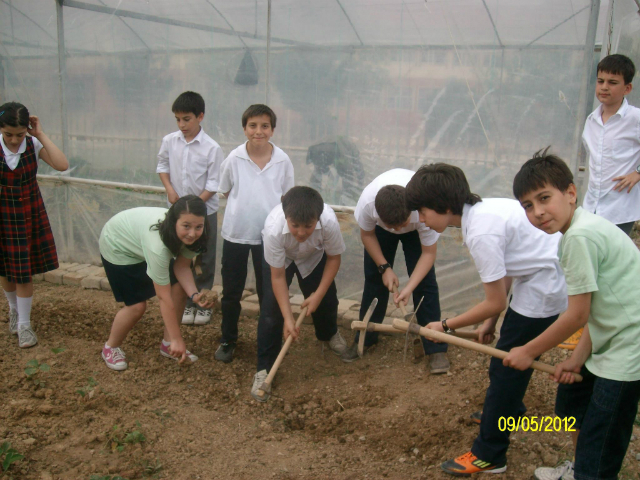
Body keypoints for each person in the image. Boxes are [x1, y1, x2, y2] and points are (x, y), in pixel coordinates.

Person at [405, 163, 567, 476]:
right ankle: (508, 412)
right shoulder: (482, 211)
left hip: (545, 285)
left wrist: (446, 325)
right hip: (534, 276)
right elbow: (504, 274)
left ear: (443, 206)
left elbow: (493, 301)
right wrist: (491, 322)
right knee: (506, 363)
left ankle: (490, 454)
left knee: (506, 369)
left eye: (423, 212)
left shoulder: (480, 231)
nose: (421, 219)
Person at [505, 149, 640, 480]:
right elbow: (596, 309)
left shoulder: (579, 237)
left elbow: (577, 316)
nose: (538, 212)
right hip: (612, 336)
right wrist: (577, 358)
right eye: (528, 206)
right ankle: (582, 468)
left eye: (544, 198)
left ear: (570, 193)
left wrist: (528, 350)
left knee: (601, 440)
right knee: (572, 401)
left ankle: (590, 471)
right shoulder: (580, 229)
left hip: (628, 349)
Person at [341, 168, 447, 373]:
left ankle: (435, 346)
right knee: (374, 279)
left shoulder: (425, 208)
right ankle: (366, 337)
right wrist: (384, 268)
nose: (397, 230)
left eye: (401, 225)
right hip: (383, 230)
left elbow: (428, 254)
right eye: (392, 227)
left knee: (426, 284)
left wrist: (409, 288)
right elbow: (368, 236)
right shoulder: (367, 205)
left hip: (416, 230)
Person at [251, 186, 347, 401]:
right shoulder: (274, 228)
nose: (301, 232)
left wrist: (318, 295)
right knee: (271, 312)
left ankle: (328, 335)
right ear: (286, 217)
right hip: (281, 260)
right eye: (294, 225)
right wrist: (288, 318)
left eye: (308, 226)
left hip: (314, 257)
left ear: (318, 218)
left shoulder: (329, 222)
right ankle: (264, 368)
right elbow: (277, 278)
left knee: (328, 300)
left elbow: (334, 258)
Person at [99, 196, 215, 371]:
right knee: (137, 306)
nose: (192, 233)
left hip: (140, 240)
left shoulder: (197, 236)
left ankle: (168, 344)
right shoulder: (158, 246)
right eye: (186, 226)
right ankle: (110, 347)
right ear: (174, 221)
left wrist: (194, 294)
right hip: (118, 246)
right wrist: (179, 338)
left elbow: (182, 267)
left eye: (198, 226)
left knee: (179, 288)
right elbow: (163, 297)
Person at [216, 104, 294, 363]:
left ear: (272, 130)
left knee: (268, 293)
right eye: (252, 125)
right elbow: (226, 190)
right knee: (231, 292)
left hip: (269, 238)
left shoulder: (283, 160)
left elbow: (287, 197)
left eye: (264, 126)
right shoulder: (234, 158)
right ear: (244, 128)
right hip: (236, 234)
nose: (258, 131)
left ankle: (268, 342)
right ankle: (228, 339)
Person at [0, 102, 69, 348]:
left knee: (23, 271)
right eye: (8, 134)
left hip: (27, 213)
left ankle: (25, 325)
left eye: (19, 134)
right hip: (3, 214)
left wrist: (39, 134)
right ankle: (14, 310)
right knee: (6, 268)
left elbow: (62, 165)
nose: (14, 140)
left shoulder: (33, 144)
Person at [157, 91, 224, 325]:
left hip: (205, 212)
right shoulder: (169, 141)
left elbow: (214, 183)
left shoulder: (211, 147)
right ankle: (186, 301)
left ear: (200, 116)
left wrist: (195, 208)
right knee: (178, 256)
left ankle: (204, 302)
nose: (182, 124)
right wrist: (169, 189)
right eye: (177, 119)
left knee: (204, 257)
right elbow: (162, 166)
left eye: (187, 119)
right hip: (175, 212)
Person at [582, 54, 639, 236]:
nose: (604, 87)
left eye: (613, 82)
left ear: (627, 88)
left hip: (620, 209)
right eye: (601, 81)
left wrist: (637, 173)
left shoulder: (635, 119)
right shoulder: (591, 120)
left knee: (613, 259)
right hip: (592, 206)